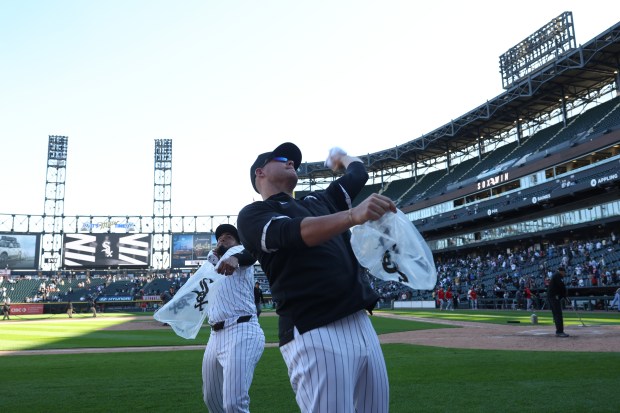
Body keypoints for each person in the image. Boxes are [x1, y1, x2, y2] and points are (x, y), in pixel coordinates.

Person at [238, 142, 395, 412]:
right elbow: (294, 233)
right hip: (314, 328)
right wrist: (351, 215)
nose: (291, 162)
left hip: (360, 322)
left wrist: (342, 157)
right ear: (260, 173)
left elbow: (358, 173)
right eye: (282, 158)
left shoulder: (318, 200)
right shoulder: (253, 214)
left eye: (294, 161)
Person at [202, 224, 264, 413]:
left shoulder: (240, 252)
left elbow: (251, 255)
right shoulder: (210, 265)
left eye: (229, 236)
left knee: (234, 404)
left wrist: (235, 256)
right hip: (214, 336)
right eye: (220, 237)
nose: (223, 238)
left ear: (238, 241)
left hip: (241, 330)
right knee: (212, 400)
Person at [547, 267, 569, 337]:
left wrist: (564, 296)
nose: (564, 274)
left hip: (552, 296)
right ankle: (559, 331)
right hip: (554, 297)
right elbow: (562, 286)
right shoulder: (558, 275)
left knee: (556, 314)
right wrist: (565, 295)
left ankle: (559, 331)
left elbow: (560, 287)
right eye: (564, 272)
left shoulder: (556, 275)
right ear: (561, 271)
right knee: (558, 314)